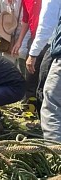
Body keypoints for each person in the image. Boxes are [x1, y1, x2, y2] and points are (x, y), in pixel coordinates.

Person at [11, 0, 49, 116]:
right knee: (31, 74)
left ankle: (45, 111)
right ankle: (31, 109)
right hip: (34, 39)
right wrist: (19, 41)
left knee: (45, 76)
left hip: (49, 41)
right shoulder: (25, 1)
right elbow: (26, 21)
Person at [32, 0, 61, 142]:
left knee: (51, 107)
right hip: (51, 46)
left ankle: (55, 158)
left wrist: (33, 53)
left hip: (54, 50)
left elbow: (46, 22)